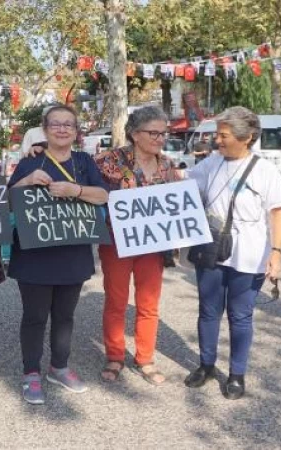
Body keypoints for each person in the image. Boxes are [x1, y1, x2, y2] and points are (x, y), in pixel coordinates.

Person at [184, 106, 281, 400]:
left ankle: (236, 374)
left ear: (247, 137)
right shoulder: (210, 164)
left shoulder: (265, 170)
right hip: (211, 249)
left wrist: (277, 254)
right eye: (217, 134)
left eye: (224, 135)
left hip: (250, 253)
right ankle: (206, 365)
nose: (217, 140)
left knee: (240, 316)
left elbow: (278, 212)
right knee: (208, 311)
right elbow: (185, 186)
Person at [8, 104, 108, 405]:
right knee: (35, 316)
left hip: (73, 252)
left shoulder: (84, 161)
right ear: (45, 128)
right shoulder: (30, 160)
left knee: (65, 316)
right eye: (56, 124)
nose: (62, 129)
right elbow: (7, 201)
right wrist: (26, 181)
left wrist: (75, 191)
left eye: (69, 124)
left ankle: (59, 367)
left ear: (77, 131)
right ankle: (31, 373)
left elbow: (103, 195)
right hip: (34, 254)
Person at [93, 106, 181, 386]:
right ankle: (115, 356)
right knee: (116, 301)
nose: (159, 138)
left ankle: (145, 358)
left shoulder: (167, 165)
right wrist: (40, 148)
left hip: (153, 246)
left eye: (163, 133)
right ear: (134, 133)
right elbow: (75, 168)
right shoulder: (108, 161)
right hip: (117, 244)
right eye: (153, 132)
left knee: (148, 304)